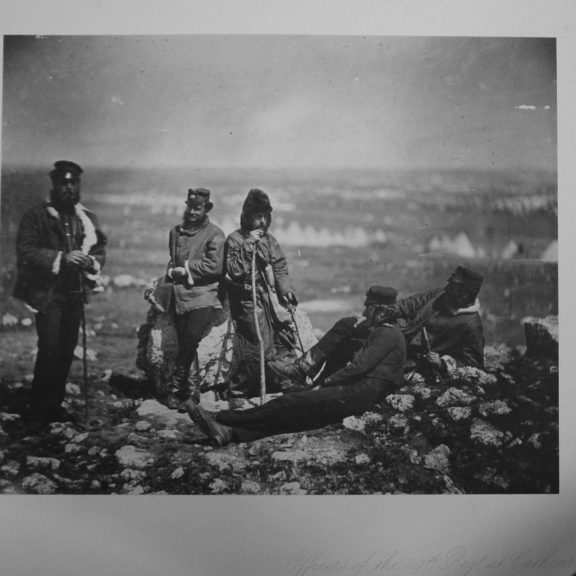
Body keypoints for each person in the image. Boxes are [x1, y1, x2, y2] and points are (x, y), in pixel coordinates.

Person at [185, 286, 405, 447]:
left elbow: (359, 367)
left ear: (382, 312)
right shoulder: (385, 331)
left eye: (369, 308)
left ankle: (220, 418)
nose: (365, 313)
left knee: (289, 402)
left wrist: (327, 383)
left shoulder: (386, 334)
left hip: (358, 393)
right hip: (358, 392)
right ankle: (232, 433)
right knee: (295, 417)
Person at [269, 265, 485, 386]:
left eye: (454, 286)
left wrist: (445, 362)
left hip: (407, 355)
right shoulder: (441, 295)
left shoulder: (470, 325)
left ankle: (317, 385)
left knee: (352, 350)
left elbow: (474, 364)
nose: (448, 287)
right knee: (349, 325)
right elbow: (407, 305)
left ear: (466, 293)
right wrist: (378, 314)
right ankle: (304, 369)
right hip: (393, 332)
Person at [13, 160, 107, 433]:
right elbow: (26, 251)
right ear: (54, 185)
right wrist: (61, 258)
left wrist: (90, 262)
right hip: (48, 293)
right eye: (63, 183)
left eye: (73, 183)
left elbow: (100, 251)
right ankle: (38, 411)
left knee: (66, 350)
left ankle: (54, 406)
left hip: (74, 293)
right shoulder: (36, 216)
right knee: (49, 348)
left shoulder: (87, 219)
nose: (69, 188)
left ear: (79, 185)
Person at [223, 188, 299, 408]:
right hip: (247, 299)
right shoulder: (236, 239)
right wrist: (248, 244)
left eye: (266, 216)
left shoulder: (270, 240)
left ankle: (286, 382)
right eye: (258, 216)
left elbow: (280, 267)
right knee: (260, 346)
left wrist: (286, 291)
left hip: (269, 298)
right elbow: (234, 271)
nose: (262, 222)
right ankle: (237, 391)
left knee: (284, 338)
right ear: (248, 216)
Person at [163, 188, 226, 409]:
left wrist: (186, 269)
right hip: (180, 293)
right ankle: (190, 392)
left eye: (197, 208)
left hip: (205, 293)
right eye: (190, 207)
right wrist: (170, 275)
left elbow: (215, 267)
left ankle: (177, 387)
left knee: (191, 336)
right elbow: (173, 262)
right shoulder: (175, 233)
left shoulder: (215, 234)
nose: (192, 212)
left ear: (206, 209)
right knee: (185, 342)